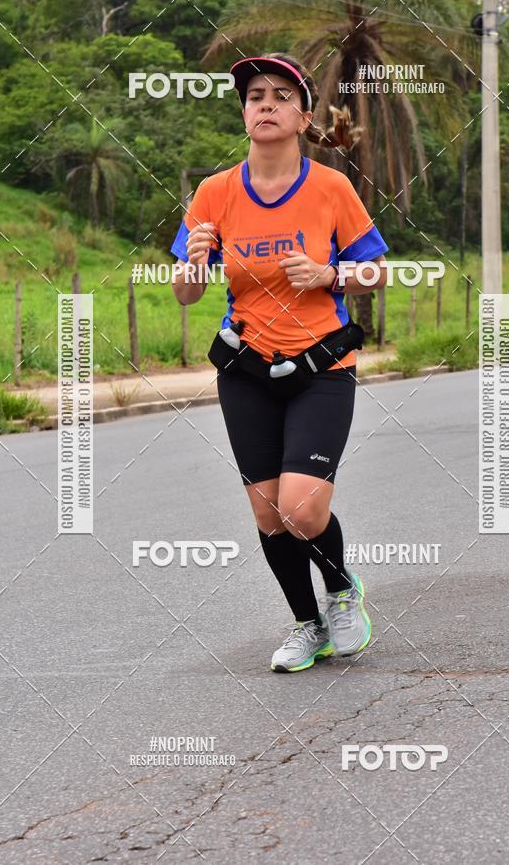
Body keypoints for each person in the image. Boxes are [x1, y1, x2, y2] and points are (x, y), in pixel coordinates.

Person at [171, 52, 389, 673]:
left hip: (322, 366)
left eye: (280, 96)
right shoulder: (214, 192)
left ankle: (342, 590)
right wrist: (194, 263)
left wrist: (329, 274)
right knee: (269, 514)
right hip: (246, 370)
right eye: (254, 97)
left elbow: (376, 272)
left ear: (303, 116)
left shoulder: (330, 188)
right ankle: (307, 624)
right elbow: (185, 293)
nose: (265, 105)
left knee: (301, 508)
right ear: (244, 114)